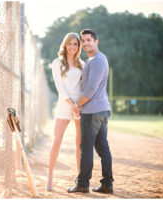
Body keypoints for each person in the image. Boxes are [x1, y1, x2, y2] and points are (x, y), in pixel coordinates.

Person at [67, 29, 114, 194]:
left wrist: (78, 105)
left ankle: (82, 184)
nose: (86, 43)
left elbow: (91, 89)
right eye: (83, 40)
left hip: (93, 111)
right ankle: (107, 184)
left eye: (89, 40)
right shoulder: (97, 59)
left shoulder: (96, 61)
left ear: (96, 42)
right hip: (101, 110)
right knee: (102, 147)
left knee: (86, 147)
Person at [46, 32, 84, 191]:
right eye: (70, 43)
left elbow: (84, 87)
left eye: (75, 44)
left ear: (78, 46)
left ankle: (80, 177)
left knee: (79, 143)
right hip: (64, 104)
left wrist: (79, 104)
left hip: (79, 106)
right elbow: (60, 87)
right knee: (57, 141)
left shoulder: (83, 64)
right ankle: (50, 177)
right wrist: (71, 104)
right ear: (65, 45)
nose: (72, 47)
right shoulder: (57, 63)